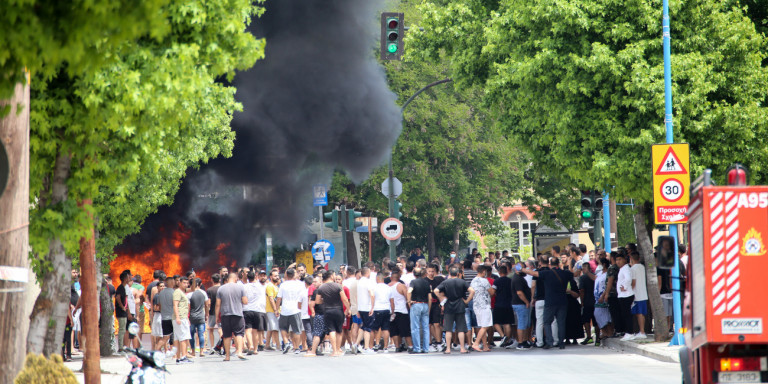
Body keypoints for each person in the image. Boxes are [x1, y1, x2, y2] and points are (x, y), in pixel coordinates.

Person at [522, 256, 574, 349]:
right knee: (560, 322)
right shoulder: (565, 273)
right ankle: (561, 343)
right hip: (563, 301)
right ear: (558, 264)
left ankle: (549, 342)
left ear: (550, 265)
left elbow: (533, 273)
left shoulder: (547, 273)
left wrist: (521, 269)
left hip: (550, 301)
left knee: (546, 322)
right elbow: (575, 273)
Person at [308, 270, 351, 357]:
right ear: (331, 276)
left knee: (331, 330)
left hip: (327, 311)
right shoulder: (338, 286)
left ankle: (334, 351)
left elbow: (317, 301)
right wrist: (348, 309)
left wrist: (325, 300)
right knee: (339, 330)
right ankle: (338, 350)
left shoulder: (321, 288)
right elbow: (345, 299)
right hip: (338, 310)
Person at [434, 266, 473, 354]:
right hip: (460, 306)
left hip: (448, 306)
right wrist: (467, 301)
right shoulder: (462, 281)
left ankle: (448, 349)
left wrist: (442, 298)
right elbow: (472, 291)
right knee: (461, 329)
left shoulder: (445, 282)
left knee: (448, 329)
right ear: (458, 273)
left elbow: (436, 291)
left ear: (449, 273)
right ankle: (462, 348)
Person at [215, 272, 248, 361]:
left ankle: (227, 356)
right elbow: (245, 301)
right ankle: (240, 352)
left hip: (225, 315)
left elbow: (218, 304)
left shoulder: (221, 289)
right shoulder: (241, 287)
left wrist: (217, 317)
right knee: (239, 333)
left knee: (227, 335)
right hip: (238, 314)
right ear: (236, 278)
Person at [276, 268, 304, 354]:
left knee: (283, 328)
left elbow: (279, 298)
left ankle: (286, 342)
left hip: (285, 310)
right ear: (294, 275)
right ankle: (296, 348)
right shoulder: (300, 284)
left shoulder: (283, 285)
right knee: (296, 330)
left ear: (286, 275)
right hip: (296, 310)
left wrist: (277, 309)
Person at [470, 265, 494, 352]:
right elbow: (491, 292)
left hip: (476, 305)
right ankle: (476, 343)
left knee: (482, 325)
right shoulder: (484, 281)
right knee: (486, 325)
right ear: (484, 271)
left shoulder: (473, 280)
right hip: (484, 305)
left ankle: (485, 346)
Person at [407, 267, 431, 354]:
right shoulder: (426, 282)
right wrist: (429, 307)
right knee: (425, 328)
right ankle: (426, 348)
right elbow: (430, 297)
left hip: (416, 305)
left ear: (414, 274)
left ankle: (417, 348)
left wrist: (409, 301)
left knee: (415, 327)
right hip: (425, 305)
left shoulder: (413, 282)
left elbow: (409, 291)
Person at [388, 268, 411, 353]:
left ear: (391, 278)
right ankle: (410, 346)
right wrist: (409, 306)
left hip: (391, 311)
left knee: (394, 330)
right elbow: (407, 297)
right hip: (402, 310)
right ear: (399, 278)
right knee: (406, 330)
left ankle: (397, 346)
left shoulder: (387, 286)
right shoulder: (401, 286)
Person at [243, 270, 266, 355]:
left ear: (247, 278)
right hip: (257, 310)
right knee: (255, 331)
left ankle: (250, 345)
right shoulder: (260, 286)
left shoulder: (244, 287)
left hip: (247, 309)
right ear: (255, 277)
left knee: (248, 330)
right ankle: (256, 349)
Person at [511, 263, 533, 350]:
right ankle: (521, 342)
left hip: (521, 304)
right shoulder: (517, 279)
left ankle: (524, 341)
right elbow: (519, 292)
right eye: (523, 268)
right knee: (522, 323)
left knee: (525, 323)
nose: (524, 270)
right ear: (517, 270)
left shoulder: (520, 278)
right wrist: (526, 302)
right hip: (520, 304)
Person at [492, 265, 514, 348]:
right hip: (508, 304)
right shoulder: (510, 281)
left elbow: (493, 291)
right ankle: (507, 341)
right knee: (507, 323)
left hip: (499, 304)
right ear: (507, 272)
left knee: (495, 322)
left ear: (499, 272)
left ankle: (502, 336)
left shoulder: (496, 281)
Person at [172, 277, 193, 364]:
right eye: (184, 282)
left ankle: (178, 357)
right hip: (180, 317)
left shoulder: (182, 292)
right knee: (183, 337)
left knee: (177, 338)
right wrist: (178, 317)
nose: (186, 284)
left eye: (187, 283)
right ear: (179, 283)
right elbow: (175, 305)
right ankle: (184, 356)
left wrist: (187, 318)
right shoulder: (177, 292)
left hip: (183, 317)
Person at [425, 263, 445, 351]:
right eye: (429, 271)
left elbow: (441, 293)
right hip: (427, 304)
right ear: (426, 271)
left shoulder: (438, 280)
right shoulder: (424, 281)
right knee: (428, 324)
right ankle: (429, 343)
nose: (431, 273)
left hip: (437, 304)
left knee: (437, 324)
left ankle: (439, 342)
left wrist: (442, 304)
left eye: (432, 271)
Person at [187, 277, 209, 357]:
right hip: (201, 316)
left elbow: (188, 307)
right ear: (200, 284)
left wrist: (187, 317)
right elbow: (206, 305)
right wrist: (207, 314)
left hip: (192, 317)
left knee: (191, 334)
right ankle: (201, 351)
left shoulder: (189, 294)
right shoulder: (203, 293)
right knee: (201, 334)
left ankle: (192, 351)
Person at [356, 267, 376, 353]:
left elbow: (357, 296)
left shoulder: (359, 282)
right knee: (368, 328)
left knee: (363, 326)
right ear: (368, 273)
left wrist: (357, 309)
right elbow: (372, 294)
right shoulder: (368, 282)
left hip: (360, 307)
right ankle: (366, 348)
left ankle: (356, 344)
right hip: (367, 307)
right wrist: (372, 306)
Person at [616, 253, 635, 341]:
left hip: (626, 295)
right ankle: (628, 332)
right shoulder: (622, 269)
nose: (618, 261)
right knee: (625, 314)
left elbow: (628, 279)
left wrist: (624, 286)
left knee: (627, 315)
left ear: (624, 259)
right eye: (617, 260)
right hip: (622, 295)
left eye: (620, 259)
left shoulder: (626, 268)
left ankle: (630, 332)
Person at [594, 257, 614, 342]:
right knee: (598, 315)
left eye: (600, 263)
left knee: (606, 316)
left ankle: (609, 332)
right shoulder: (599, 273)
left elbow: (607, 285)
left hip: (603, 297)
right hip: (597, 299)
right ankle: (604, 332)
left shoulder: (607, 274)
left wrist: (603, 295)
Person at [630, 251, 648, 340]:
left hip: (637, 294)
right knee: (641, 313)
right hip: (643, 293)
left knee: (639, 313)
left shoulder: (633, 269)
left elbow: (633, 282)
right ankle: (641, 331)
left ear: (631, 259)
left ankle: (642, 331)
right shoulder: (642, 267)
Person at [342, 266, 361, 354]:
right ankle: (357, 344)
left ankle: (352, 343)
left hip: (350, 307)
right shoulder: (358, 282)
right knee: (359, 327)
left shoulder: (345, 283)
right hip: (359, 307)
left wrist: (347, 308)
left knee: (350, 327)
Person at [205, 273, 222, 355]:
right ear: (220, 280)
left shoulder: (209, 290)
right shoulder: (222, 288)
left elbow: (208, 303)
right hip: (221, 312)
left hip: (212, 312)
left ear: (212, 280)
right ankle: (221, 345)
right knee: (220, 329)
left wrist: (207, 313)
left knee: (210, 329)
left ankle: (212, 347)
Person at [150, 281, 166, 351]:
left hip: (163, 315)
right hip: (159, 316)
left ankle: (162, 350)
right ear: (157, 287)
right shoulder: (157, 296)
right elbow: (156, 308)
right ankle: (158, 350)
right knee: (159, 334)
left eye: (163, 286)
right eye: (161, 286)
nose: (162, 287)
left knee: (162, 334)